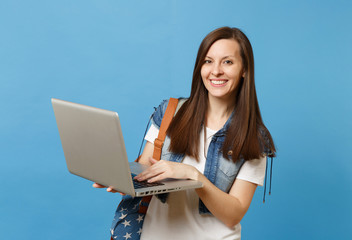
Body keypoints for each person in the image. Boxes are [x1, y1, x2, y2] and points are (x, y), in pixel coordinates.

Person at [94, 26, 276, 240]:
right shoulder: (170, 112)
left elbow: (233, 214)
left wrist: (194, 176)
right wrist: (123, 181)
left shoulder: (253, 137)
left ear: (244, 69)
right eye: (208, 61)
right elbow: (145, 170)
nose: (216, 71)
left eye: (227, 62)